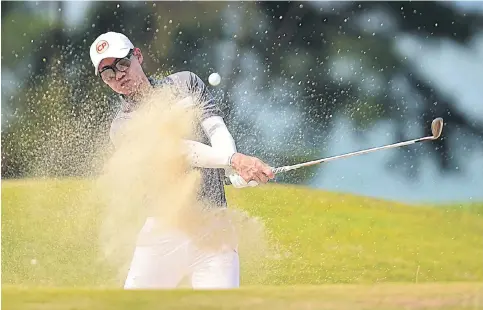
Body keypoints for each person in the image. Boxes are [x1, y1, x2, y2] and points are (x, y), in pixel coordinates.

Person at [89, 31, 274, 289]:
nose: (118, 75)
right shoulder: (123, 127)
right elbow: (179, 150)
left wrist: (232, 169)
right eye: (107, 73)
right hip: (163, 233)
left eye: (121, 63)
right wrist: (233, 160)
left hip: (215, 227)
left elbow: (216, 129)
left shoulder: (185, 83)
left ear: (138, 56)